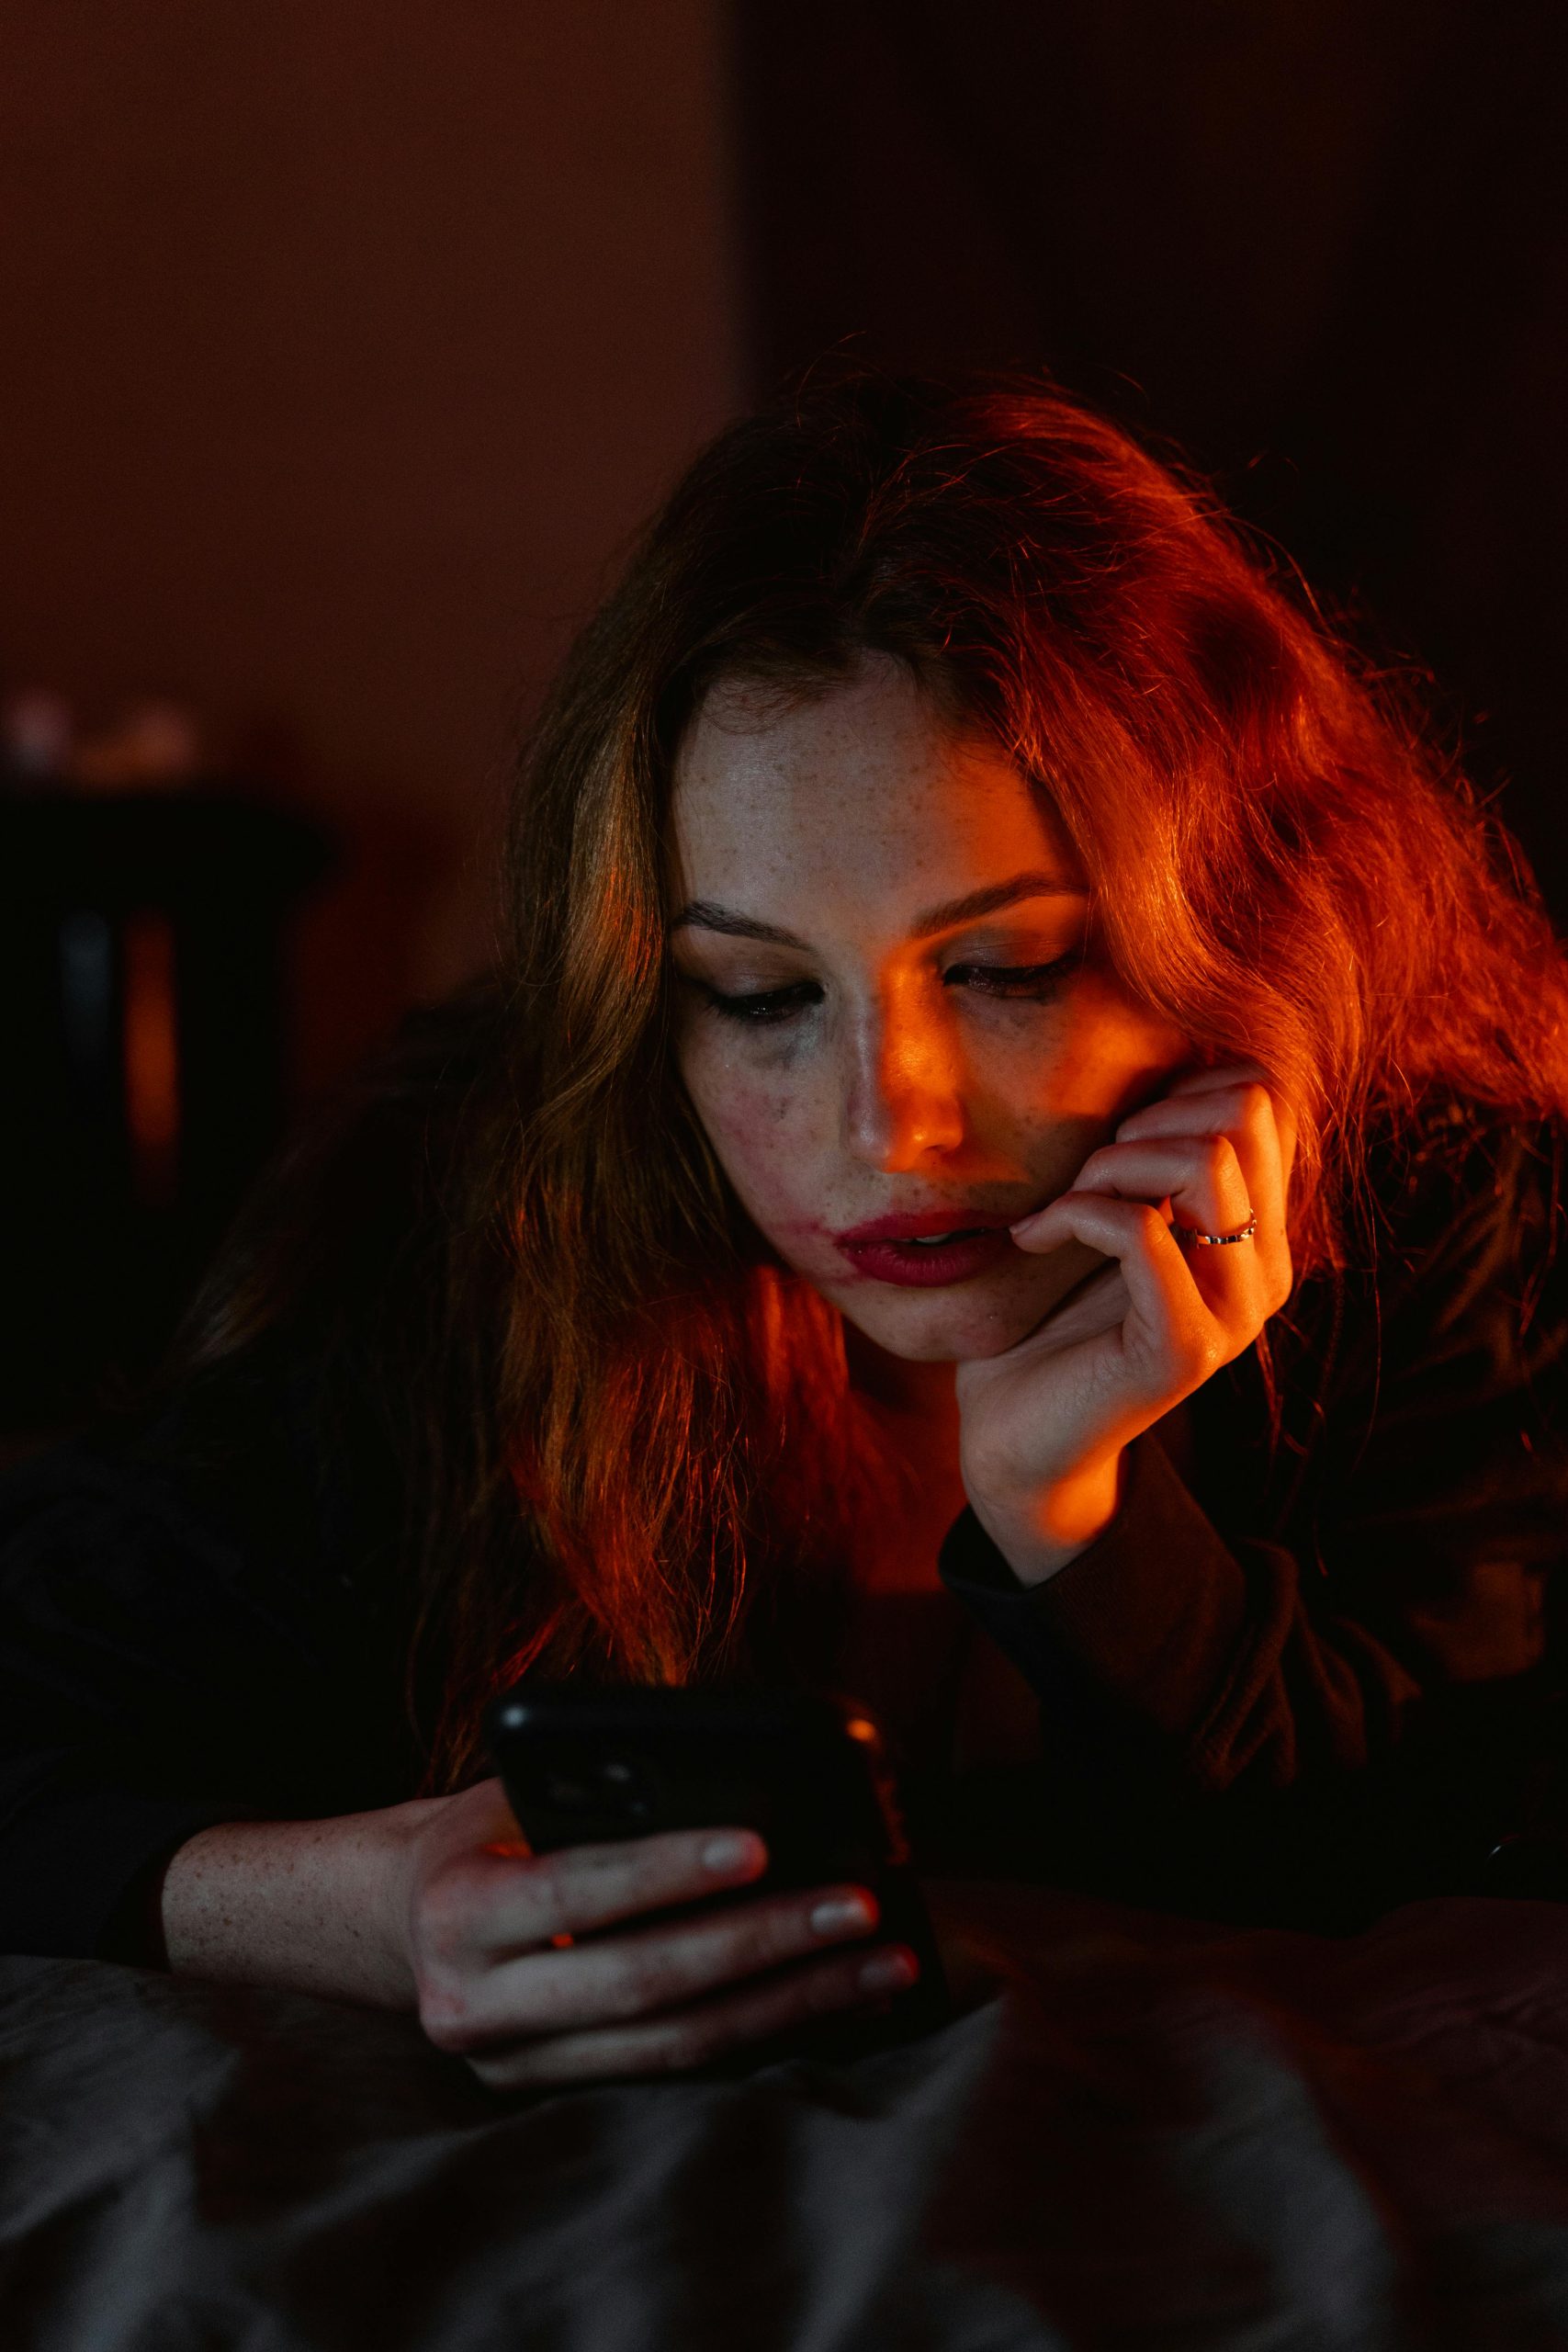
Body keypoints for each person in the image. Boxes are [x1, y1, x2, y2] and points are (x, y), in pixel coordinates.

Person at [5, 373, 1568, 2088]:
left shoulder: (1443, 1210)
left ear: (1245, 938)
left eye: (1008, 969)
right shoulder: (502, 1223)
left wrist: (1074, 1513)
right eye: (758, 994)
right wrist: (365, 1904)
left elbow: (1417, 1866)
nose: (888, 1125)